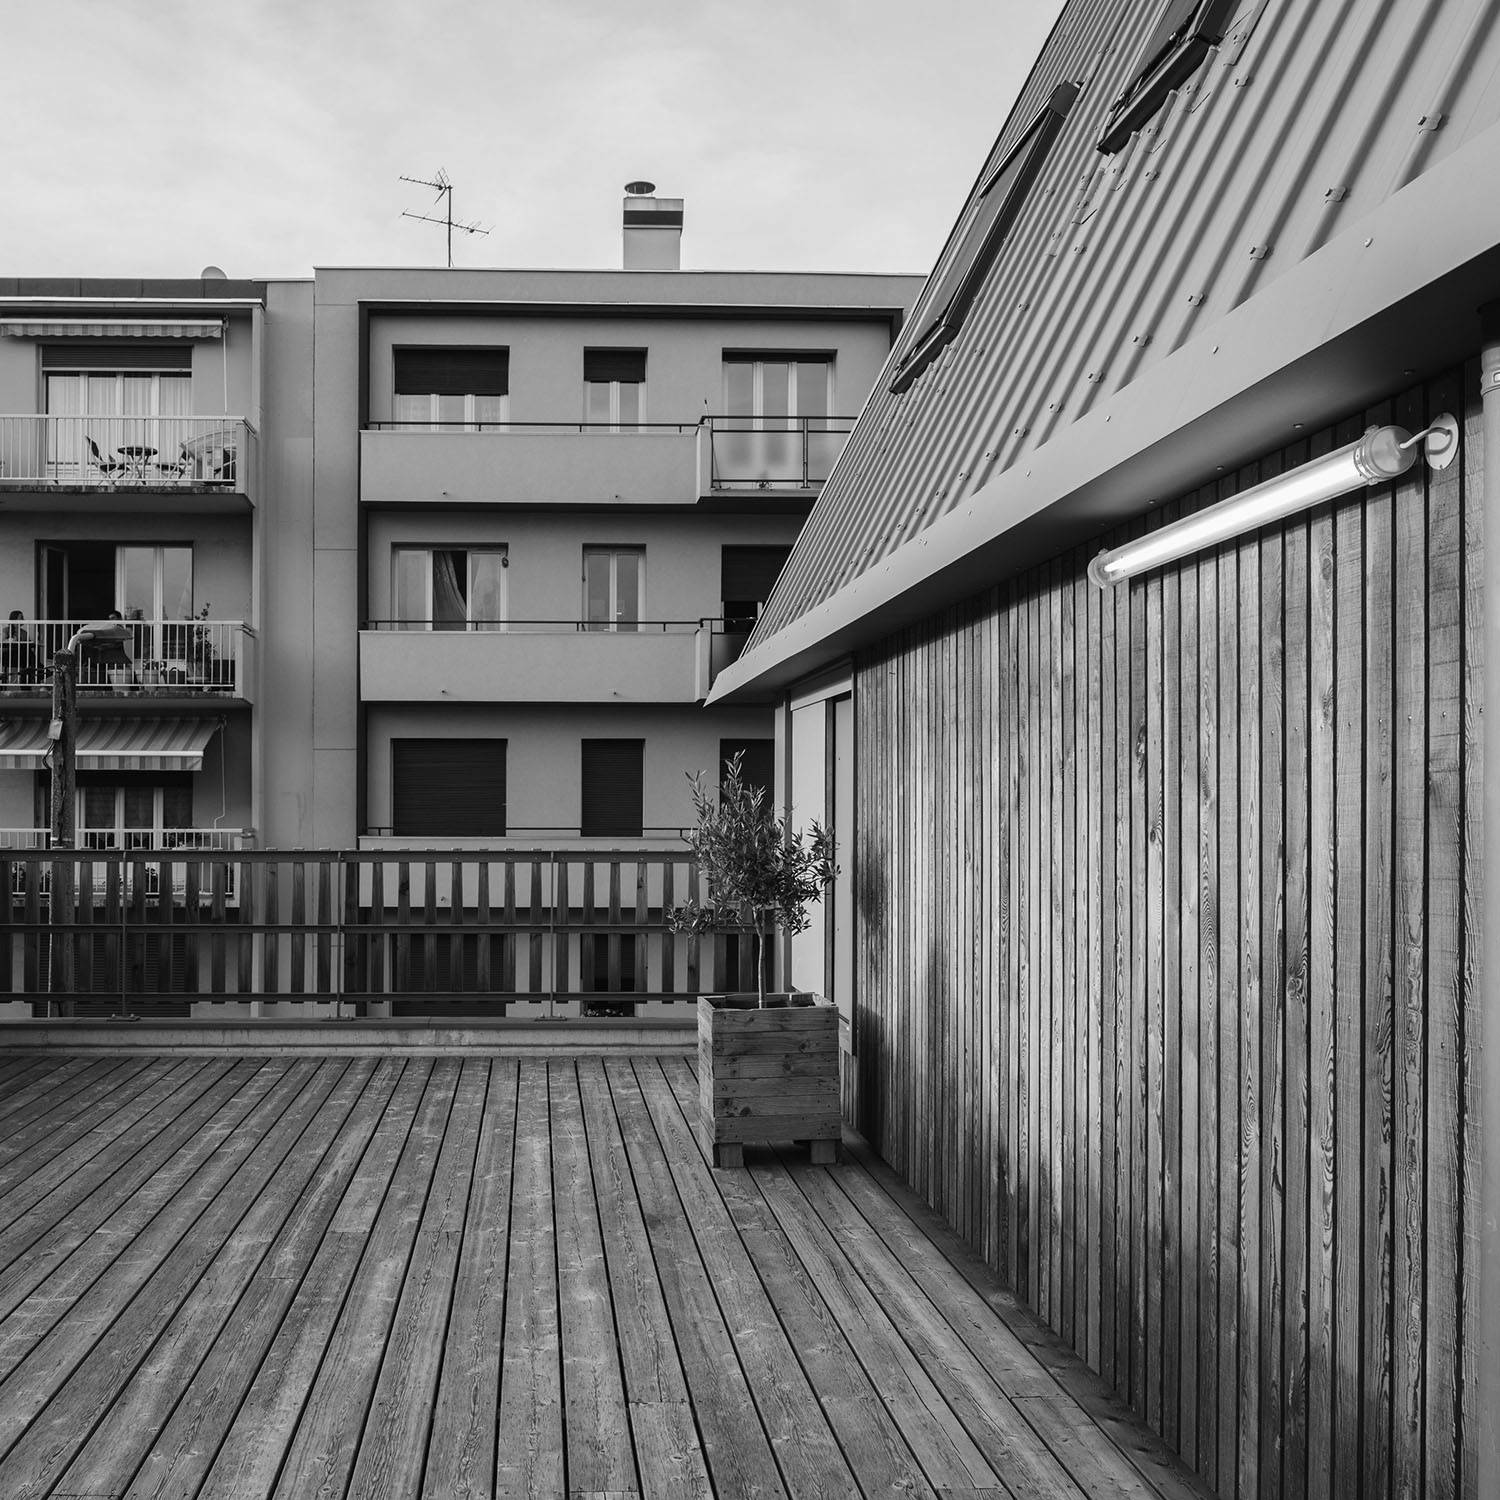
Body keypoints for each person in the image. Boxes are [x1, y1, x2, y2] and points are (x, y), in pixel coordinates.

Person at [1, 610, 37, 687]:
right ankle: (39, 670)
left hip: (21, 657)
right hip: (9, 656)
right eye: (20, 618)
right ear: (14, 619)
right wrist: (10, 640)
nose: (22, 619)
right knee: (30, 655)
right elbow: (2, 641)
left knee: (28, 652)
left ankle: (35, 673)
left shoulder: (24, 632)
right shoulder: (6, 630)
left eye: (22, 618)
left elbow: (28, 643)